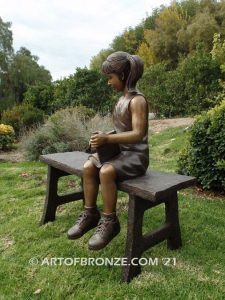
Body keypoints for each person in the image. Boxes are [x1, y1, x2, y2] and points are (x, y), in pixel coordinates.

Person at [67, 51, 149, 250]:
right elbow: (122, 130)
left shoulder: (138, 101)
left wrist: (108, 138)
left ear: (122, 76)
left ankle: (110, 222)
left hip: (136, 156)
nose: (108, 82)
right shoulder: (121, 100)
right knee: (88, 166)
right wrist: (104, 137)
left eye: (110, 77)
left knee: (106, 171)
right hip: (120, 151)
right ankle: (90, 213)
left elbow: (137, 134)